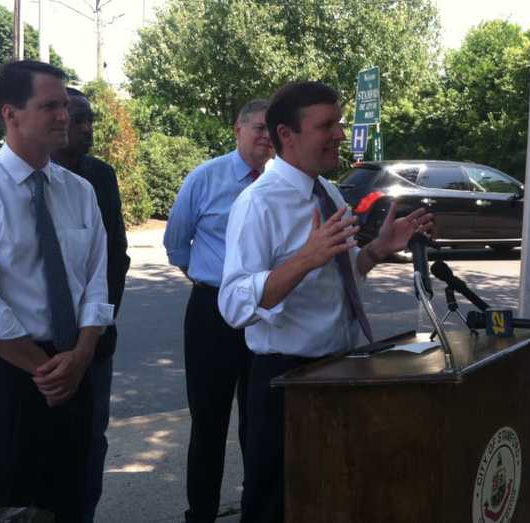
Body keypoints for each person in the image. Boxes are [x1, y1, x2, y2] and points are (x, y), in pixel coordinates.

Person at [218, 81, 433, 523]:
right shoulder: (258, 203)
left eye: (338, 122)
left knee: (333, 496)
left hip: (339, 367)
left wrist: (376, 250)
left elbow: (342, 274)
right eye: (327, 125)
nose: (339, 133)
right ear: (287, 135)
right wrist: (304, 259)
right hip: (286, 380)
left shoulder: (329, 193)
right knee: (275, 505)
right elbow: (234, 303)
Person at [0, 60, 113, 522]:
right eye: (49, 106)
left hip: (74, 370)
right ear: (10, 114)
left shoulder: (80, 192)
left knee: (72, 504)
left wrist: (80, 358)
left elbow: (96, 283)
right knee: (6, 509)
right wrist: (49, 373)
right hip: (9, 380)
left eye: (64, 105)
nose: (64, 116)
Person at [164, 99, 274, 523]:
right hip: (211, 313)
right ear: (238, 129)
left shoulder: (279, 184)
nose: (266, 137)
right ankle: (202, 514)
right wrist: (212, 281)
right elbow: (177, 243)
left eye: (272, 130)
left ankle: (256, 510)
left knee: (259, 421)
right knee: (208, 424)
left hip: (264, 311)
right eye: (259, 128)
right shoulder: (206, 178)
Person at [52, 87, 131, 523]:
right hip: (36, 350)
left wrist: (95, 328)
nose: (86, 129)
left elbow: (115, 258)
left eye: (90, 121)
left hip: (94, 341)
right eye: (79, 118)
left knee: (89, 441)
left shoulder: (100, 177)